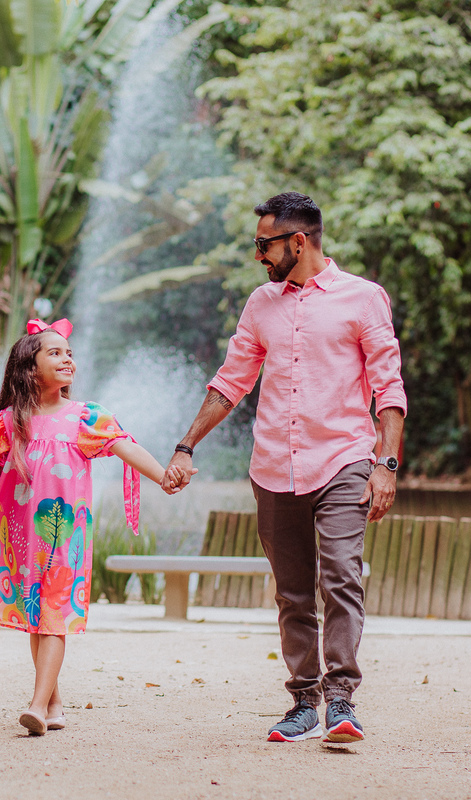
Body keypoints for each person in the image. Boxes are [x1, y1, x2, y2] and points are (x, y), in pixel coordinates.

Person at [162, 192, 406, 744]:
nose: (258, 257)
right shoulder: (260, 304)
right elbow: (231, 382)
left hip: (344, 458)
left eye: (263, 245)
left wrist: (386, 465)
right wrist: (186, 445)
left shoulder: (364, 299)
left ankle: (341, 701)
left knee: (341, 576)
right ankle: (302, 703)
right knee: (292, 591)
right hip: (274, 464)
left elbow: (388, 387)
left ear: (299, 241)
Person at [0, 317, 181, 736]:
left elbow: (125, 448)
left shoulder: (86, 417)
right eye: (56, 353)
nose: (68, 360)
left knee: (53, 615)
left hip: (67, 536)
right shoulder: (12, 421)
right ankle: (54, 702)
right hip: (23, 535)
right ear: (31, 367)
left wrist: (163, 476)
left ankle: (36, 705)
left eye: (70, 353)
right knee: (37, 617)